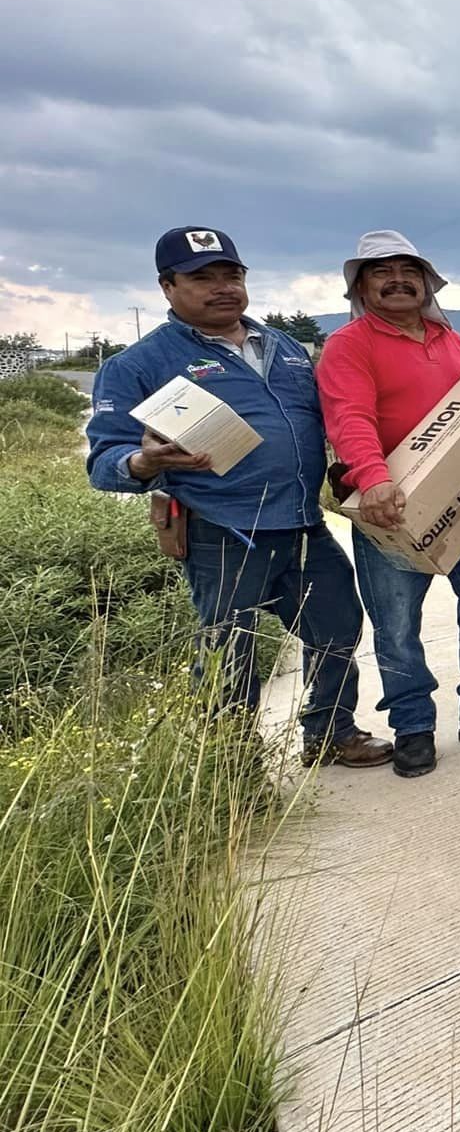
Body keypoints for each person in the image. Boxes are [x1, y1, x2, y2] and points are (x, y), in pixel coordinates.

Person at [84, 227, 390, 768]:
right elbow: (104, 460)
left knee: (338, 624)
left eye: (233, 275)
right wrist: (143, 461)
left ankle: (329, 733)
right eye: (203, 277)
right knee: (230, 649)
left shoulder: (286, 348)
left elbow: (327, 421)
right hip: (222, 531)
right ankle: (231, 766)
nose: (223, 287)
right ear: (168, 286)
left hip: (302, 525)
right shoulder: (138, 365)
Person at [315, 231, 460, 778]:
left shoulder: (449, 339)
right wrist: (373, 479)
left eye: (407, 270)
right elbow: (350, 417)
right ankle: (413, 726)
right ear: (361, 287)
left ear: (426, 281)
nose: (397, 280)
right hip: (387, 509)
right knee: (396, 623)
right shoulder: (350, 345)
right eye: (380, 272)